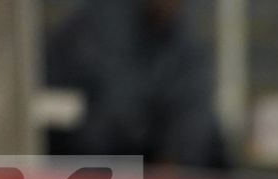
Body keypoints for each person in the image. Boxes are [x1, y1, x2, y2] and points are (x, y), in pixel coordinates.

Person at [45, 0, 229, 170]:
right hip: (84, 172)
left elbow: (194, 123)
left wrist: (174, 159)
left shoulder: (187, 48)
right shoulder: (94, 26)